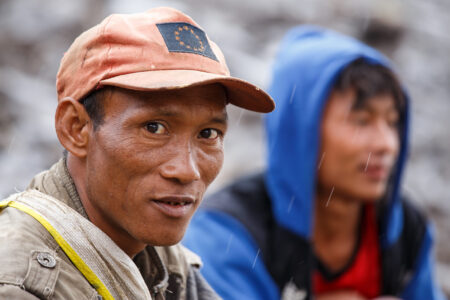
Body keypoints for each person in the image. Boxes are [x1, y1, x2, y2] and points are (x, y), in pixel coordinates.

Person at [0, 7, 274, 300]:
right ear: (76, 128)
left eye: (208, 134)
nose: (187, 170)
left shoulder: (163, 263)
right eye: (154, 128)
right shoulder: (19, 285)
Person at [183, 25, 446, 300]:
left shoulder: (404, 228)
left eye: (392, 122)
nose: (386, 144)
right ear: (301, 129)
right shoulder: (227, 235)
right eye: (362, 121)